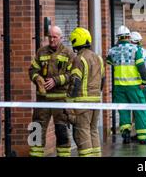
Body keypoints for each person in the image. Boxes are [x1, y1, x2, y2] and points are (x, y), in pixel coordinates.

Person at [28, 25, 75, 157]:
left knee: (61, 130)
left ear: (61, 38)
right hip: (42, 99)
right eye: (50, 36)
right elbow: (32, 69)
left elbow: (72, 74)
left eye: (55, 37)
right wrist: (37, 78)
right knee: (36, 128)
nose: (52, 39)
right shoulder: (41, 52)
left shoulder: (68, 53)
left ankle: (64, 155)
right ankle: (35, 154)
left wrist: (56, 80)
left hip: (60, 99)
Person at [106, 25, 146, 144]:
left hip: (119, 87)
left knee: (123, 111)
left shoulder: (112, 51)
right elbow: (141, 67)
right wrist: (144, 81)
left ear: (118, 38)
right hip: (134, 86)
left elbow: (109, 61)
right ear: (129, 37)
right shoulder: (136, 49)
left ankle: (126, 135)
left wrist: (116, 47)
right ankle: (143, 138)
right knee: (139, 110)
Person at [65, 27, 105, 157]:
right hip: (96, 101)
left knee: (82, 133)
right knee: (93, 131)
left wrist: (69, 102)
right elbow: (102, 80)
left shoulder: (79, 59)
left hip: (82, 103)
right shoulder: (98, 58)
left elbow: (75, 82)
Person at [130, 31, 146, 142]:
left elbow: (140, 70)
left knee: (140, 111)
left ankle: (143, 134)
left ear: (131, 41)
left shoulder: (135, 54)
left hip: (143, 85)